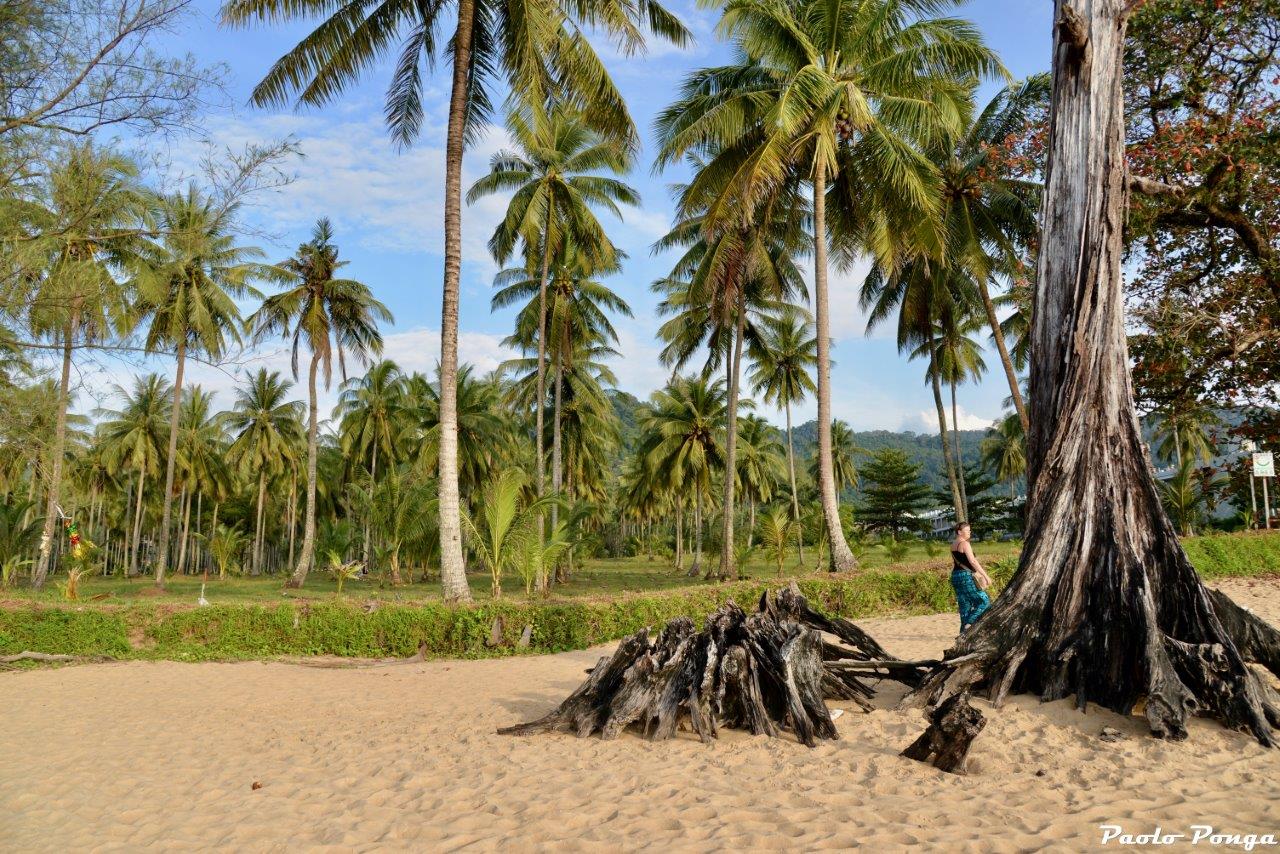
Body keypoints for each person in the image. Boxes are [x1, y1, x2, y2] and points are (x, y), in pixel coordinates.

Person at [950, 522, 992, 631]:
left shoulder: (953, 544)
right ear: (959, 532)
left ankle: (963, 634)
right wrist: (985, 576)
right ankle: (969, 623)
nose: (970, 532)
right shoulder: (965, 544)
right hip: (965, 576)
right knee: (984, 601)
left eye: (970, 530)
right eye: (967, 530)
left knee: (965, 607)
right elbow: (972, 561)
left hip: (955, 576)